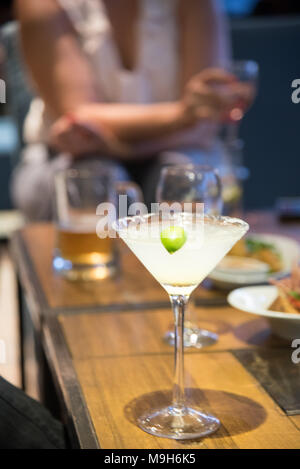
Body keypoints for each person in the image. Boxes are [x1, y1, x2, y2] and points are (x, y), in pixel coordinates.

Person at [12, 0, 251, 220]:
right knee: (95, 184)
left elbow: (204, 120)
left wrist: (120, 148)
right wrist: (182, 114)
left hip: (178, 147)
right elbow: (79, 116)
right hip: (71, 154)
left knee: (185, 182)